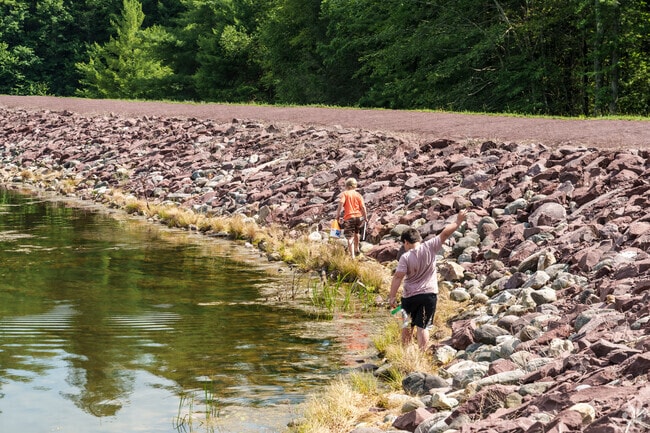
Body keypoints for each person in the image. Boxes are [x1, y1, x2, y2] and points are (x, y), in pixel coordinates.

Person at [388, 209, 468, 351]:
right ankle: (422, 354)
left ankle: (405, 354)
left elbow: (398, 277)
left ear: (406, 242)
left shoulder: (405, 257)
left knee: (406, 324)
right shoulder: (430, 246)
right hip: (429, 295)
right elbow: (445, 233)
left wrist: (392, 297)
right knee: (422, 326)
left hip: (409, 296)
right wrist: (458, 221)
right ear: (418, 239)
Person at [335, 177, 367, 259]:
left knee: (350, 236)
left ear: (347, 185)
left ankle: (352, 256)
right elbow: (363, 207)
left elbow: (341, 204)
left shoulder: (345, 194)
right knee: (356, 232)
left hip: (349, 217)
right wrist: (365, 217)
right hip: (358, 217)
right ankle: (357, 248)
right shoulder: (358, 195)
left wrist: (338, 215)